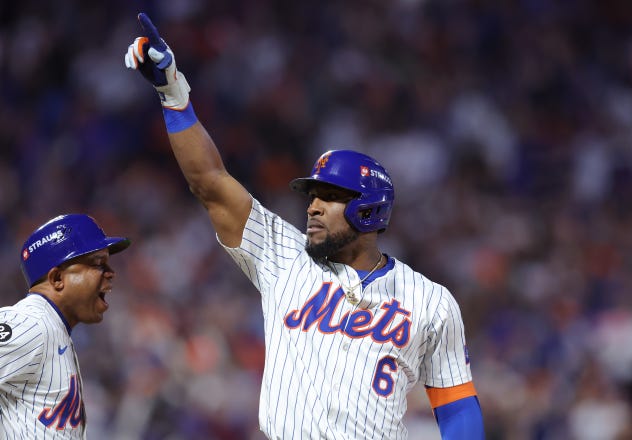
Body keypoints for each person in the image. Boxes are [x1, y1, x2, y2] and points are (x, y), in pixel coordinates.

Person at [125, 12, 485, 439]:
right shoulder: (283, 256)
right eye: (311, 196)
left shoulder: (431, 301)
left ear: (369, 210)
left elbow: (457, 407)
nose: (312, 207)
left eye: (329, 197)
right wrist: (172, 93)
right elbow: (211, 184)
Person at [0, 214, 130, 438]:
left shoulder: (54, 329)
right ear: (57, 278)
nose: (111, 273)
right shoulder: (32, 324)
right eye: (98, 264)